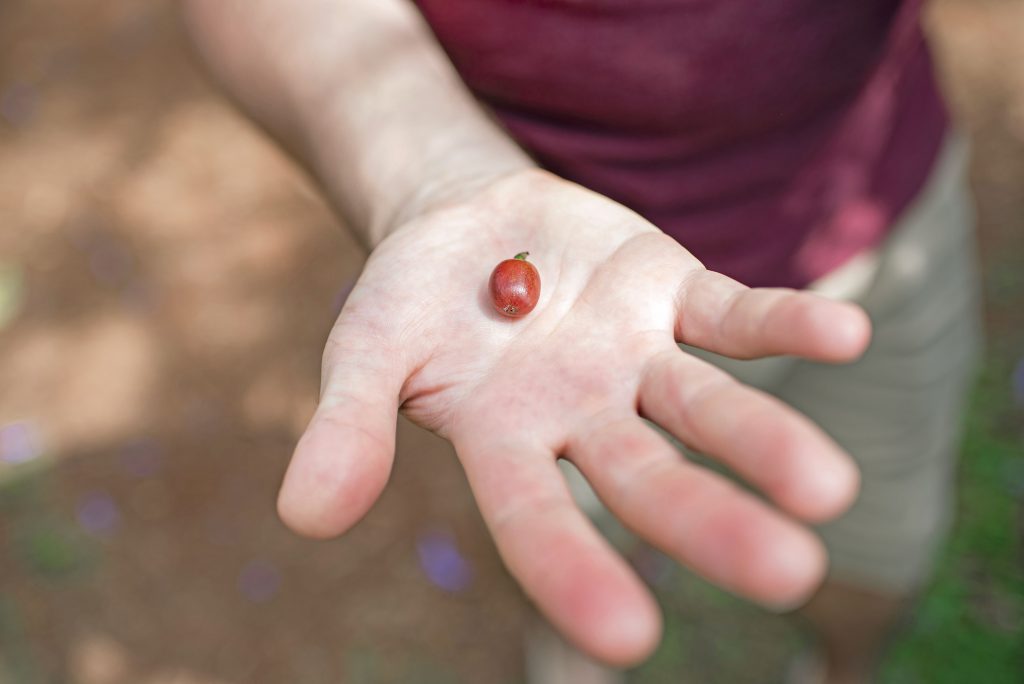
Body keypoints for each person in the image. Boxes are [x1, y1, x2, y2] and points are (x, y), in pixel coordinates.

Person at [181, 1, 982, 682]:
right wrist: (437, 172)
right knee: (577, 538)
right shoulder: (526, 279)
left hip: (876, 203)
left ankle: (843, 663)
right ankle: (570, 647)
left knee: (879, 543)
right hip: (586, 286)